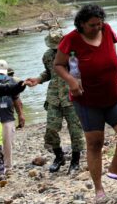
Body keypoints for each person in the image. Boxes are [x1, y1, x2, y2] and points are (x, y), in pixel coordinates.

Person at [54, 4, 117, 202]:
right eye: (92, 25)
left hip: (113, 95)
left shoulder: (107, 30)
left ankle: (115, 166)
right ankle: (99, 189)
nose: (97, 28)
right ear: (81, 24)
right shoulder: (71, 40)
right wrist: (72, 81)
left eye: (99, 23)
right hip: (87, 101)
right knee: (95, 143)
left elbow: (110, 57)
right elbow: (58, 65)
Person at [25, 29, 85, 174]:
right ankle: (59, 156)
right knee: (51, 129)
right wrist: (38, 79)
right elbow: (49, 73)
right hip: (53, 97)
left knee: (75, 130)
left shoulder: (74, 54)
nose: (55, 49)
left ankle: (75, 160)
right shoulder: (48, 56)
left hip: (72, 96)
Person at [0, 59, 25, 175]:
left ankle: (8, 167)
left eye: (2, 72)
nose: (0, 75)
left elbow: (16, 99)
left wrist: (21, 114)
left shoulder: (11, 82)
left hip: (8, 117)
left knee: (7, 143)